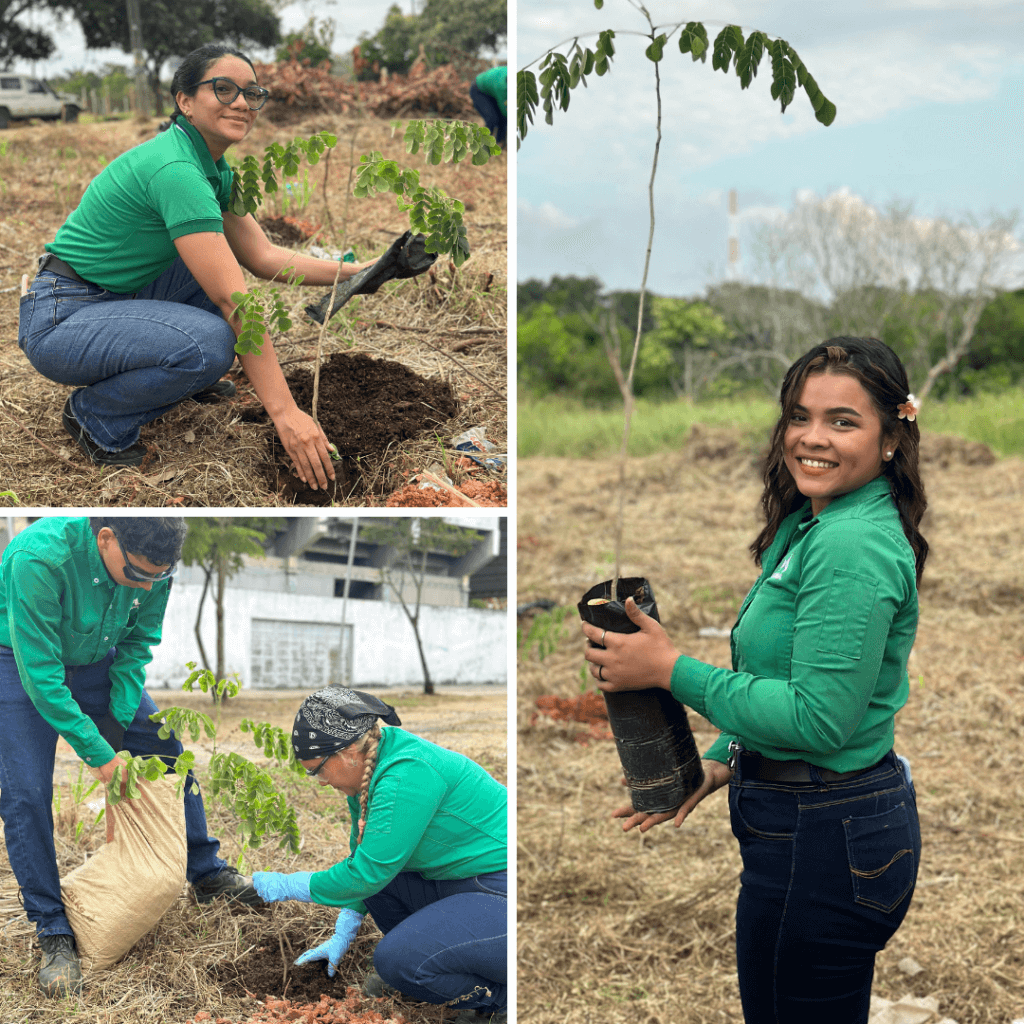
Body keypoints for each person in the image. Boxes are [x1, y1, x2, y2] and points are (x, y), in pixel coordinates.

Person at [582, 337, 926, 1024]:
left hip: (824, 838)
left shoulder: (850, 545)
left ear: (891, 436)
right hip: (825, 826)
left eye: (843, 421)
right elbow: (779, 675)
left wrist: (672, 672)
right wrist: (720, 760)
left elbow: (818, 719)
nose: (812, 438)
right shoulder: (814, 521)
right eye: (800, 417)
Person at [17, 43, 377, 489]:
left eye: (251, 92)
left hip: (115, 296)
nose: (242, 103)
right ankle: (96, 415)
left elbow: (263, 257)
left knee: (210, 270)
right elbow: (233, 298)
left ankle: (181, 379)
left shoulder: (213, 168)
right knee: (210, 344)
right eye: (223, 89)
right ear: (184, 101)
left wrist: (363, 271)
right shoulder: (176, 170)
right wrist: (286, 415)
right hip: (61, 318)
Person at [0, 516, 263, 999]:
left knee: (164, 749)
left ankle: (204, 871)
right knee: (25, 793)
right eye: (138, 573)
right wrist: (99, 753)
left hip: (100, 659)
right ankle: (53, 929)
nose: (146, 583)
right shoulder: (37, 559)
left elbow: (137, 644)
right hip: (15, 661)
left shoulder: (155, 568)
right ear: (106, 539)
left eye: (157, 576)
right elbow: (39, 673)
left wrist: (118, 722)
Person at [252, 687, 507, 1024]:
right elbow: (365, 859)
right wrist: (346, 926)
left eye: (317, 770)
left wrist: (289, 885)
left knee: (397, 962)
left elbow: (365, 874)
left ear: (346, 752)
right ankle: (435, 959)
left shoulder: (406, 774)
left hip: (505, 891)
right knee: (383, 892)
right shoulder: (368, 775)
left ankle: (501, 1001)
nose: (319, 782)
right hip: (463, 882)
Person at [470, 65, 507, 147]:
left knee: (502, 120)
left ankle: (499, 144)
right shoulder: (502, 87)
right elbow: (505, 110)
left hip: (492, 91)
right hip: (479, 90)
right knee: (492, 119)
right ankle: (482, 145)